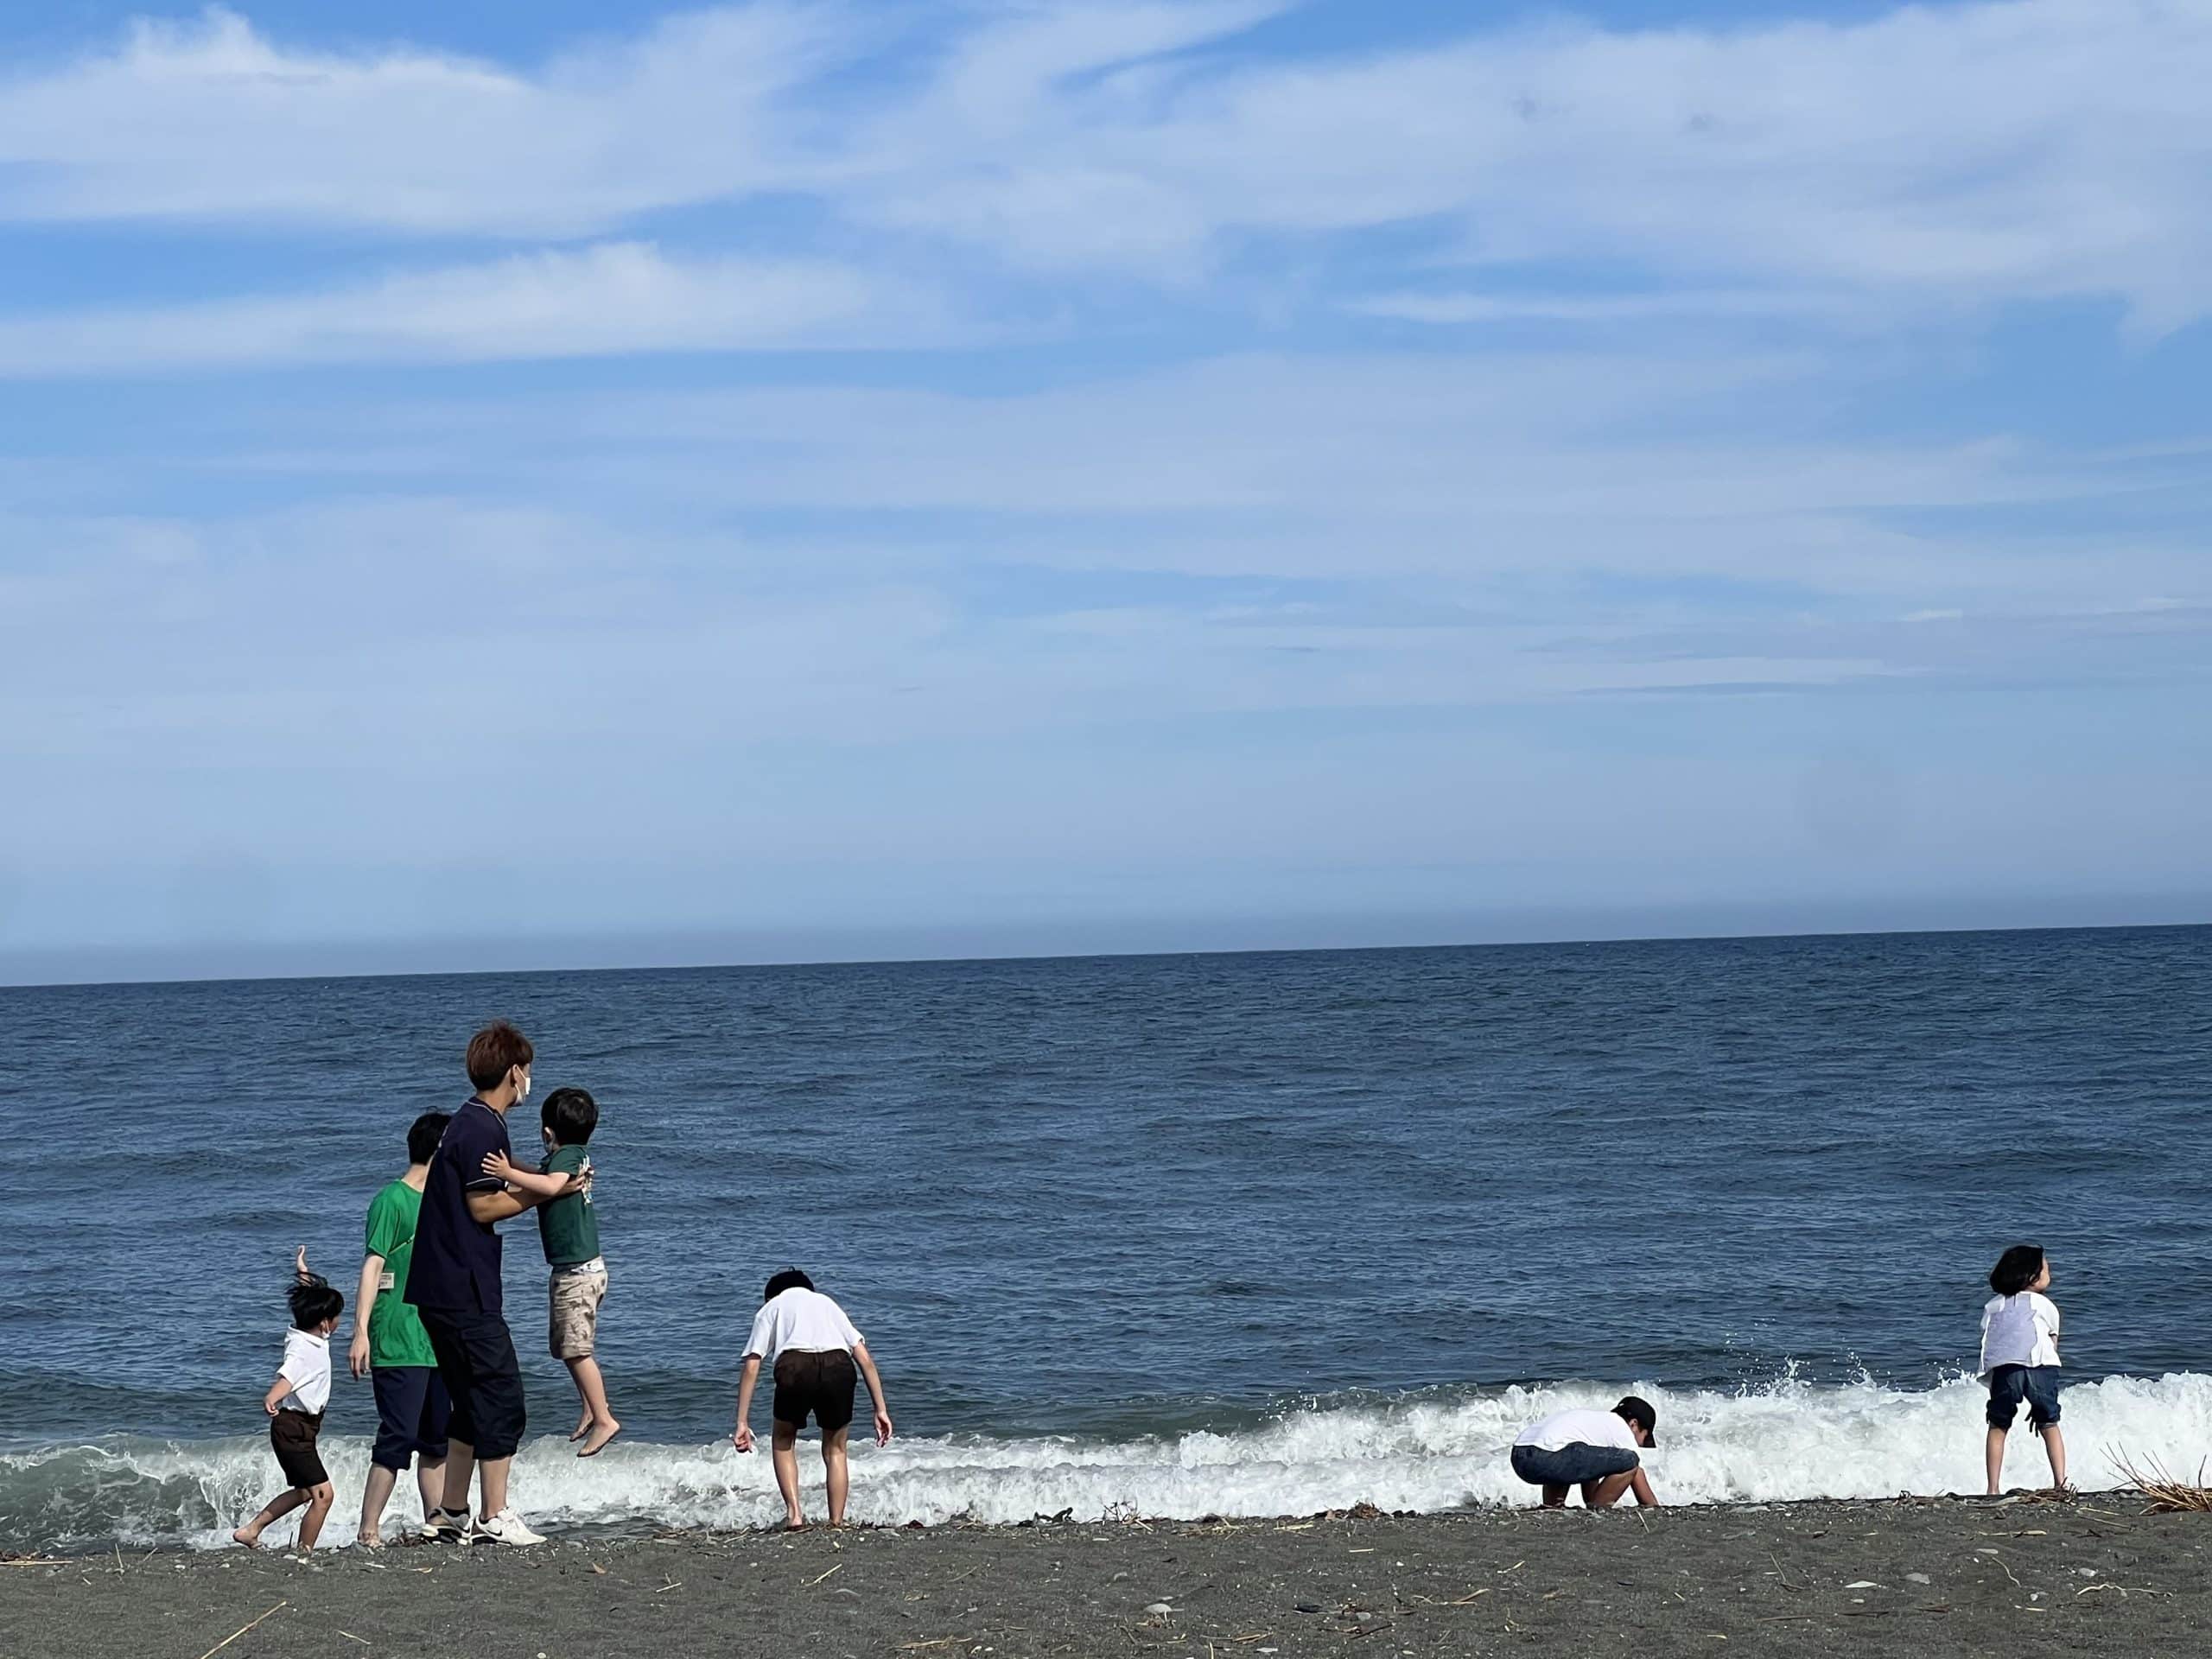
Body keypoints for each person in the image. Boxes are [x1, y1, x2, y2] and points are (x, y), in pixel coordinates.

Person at [404, 1021, 587, 1547]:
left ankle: (450, 1512)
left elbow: (498, 1178)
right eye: (526, 1070)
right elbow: (483, 1203)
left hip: (438, 1286)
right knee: (502, 1395)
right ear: (514, 1072)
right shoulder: (484, 1126)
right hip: (464, 1286)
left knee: (468, 1399)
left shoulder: (468, 1121)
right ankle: (496, 1515)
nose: (529, 1079)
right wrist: (545, 1195)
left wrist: (547, 1179)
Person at [345, 1110, 452, 1548]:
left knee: (436, 1441)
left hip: (439, 1340)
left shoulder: (446, 1202)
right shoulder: (391, 1200)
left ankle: (437, 1523)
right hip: (397, 1337)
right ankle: (368, 1529)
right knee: (397, 1437)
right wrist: (360, 1331)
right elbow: (373, 1266)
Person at [494, 1085, 619, 1457]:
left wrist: (504, 1172)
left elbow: (548, 1186)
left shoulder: (567, 1157)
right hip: (575, 1270)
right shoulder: (569, 1158)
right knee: (566, 1347)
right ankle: (589, 1409)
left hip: (578, 1273)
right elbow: (544, 1177)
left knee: (577, 1350)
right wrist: (514, 1166)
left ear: (548, 1132)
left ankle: (604, 1418)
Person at [731, 1269, 894, 1529]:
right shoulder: (827, 1303)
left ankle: (795, 1515)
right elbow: (864, 1358)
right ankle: (836, 1522)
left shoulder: (771, 1307)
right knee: (836, 1449)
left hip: (795, 1366)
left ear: (771, 1294)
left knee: (783, 1440)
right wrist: (880, 1409)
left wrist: (742, 1421)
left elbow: (753, 1364)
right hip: (839, 1366)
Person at [232, 1260, 345, 1549]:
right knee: (323, 1495)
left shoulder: (311, 1336)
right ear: (324, 1322)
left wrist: (304, 1274)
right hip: (293, 1428)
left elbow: (308, 1301)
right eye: (337, 1316)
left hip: (302, 1428)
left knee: (307, 1493)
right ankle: (304, 1552)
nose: (339, 1320)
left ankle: (251, 1530)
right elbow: (288, 1375)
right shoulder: (303, 1350)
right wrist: (273, 1396)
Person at [1981, 1243, 2067, 1494]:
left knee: (1998, 1426)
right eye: (2046, 1270)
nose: (2050, 1274)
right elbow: (2052, 1341)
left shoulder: (1992, 1306)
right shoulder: (2045, 1305)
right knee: (2049, 1423)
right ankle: (2061, 1483)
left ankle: (1993, 1487)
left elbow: (1990, 1338)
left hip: (2004, 1369)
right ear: (2032, 1277)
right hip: (2040, 1365)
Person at [1510, 1397, 1660, 1509]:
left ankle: (1552, 1507)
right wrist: (1653, 1507)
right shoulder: (1621, 1427)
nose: (1640, 1444)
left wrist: (1590, 1498)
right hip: (1547, 1458)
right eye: (1644, 1437)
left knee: (1568, 1450)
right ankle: (1598, 1510)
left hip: (1519, 1456)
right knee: (1630, 1460)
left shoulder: (1596, 1422)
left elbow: (1590, 1468)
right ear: (1634, 1424)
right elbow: (1635, 1470)